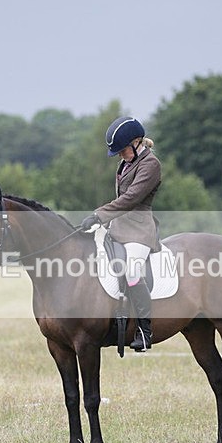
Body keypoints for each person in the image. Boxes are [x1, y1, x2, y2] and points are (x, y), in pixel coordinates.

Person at [80, 116, 161, 351]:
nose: (120, 155)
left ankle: (145, 331)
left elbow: (131, 198)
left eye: (123, 150)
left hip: (139, 230)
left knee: (133, 271)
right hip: (117, 227)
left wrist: (99, 214)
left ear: (137, 142)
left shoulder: (150, 164)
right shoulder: (127, 161)